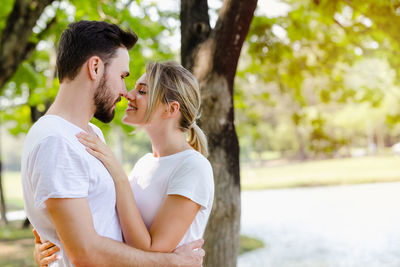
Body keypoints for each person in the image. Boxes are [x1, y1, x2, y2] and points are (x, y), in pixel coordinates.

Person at [21, 20, 204, 267]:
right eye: (122, 76)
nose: (124, 91)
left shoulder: (90, 133)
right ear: (95, 67)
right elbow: (85, 252)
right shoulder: (56, 140)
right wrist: (171, 262)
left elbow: (101, 226)